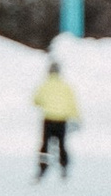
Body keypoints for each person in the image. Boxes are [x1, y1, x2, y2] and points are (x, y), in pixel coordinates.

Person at [32, 47, 79, 180]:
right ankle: (64, 166)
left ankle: (42, 167)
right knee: (62, 144)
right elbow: (72, 103)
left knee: (45, 144)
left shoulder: (45, 85)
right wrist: (76, 117)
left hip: (49, 119)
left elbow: (36, 100)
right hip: (61, 120)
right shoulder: (66, 86)